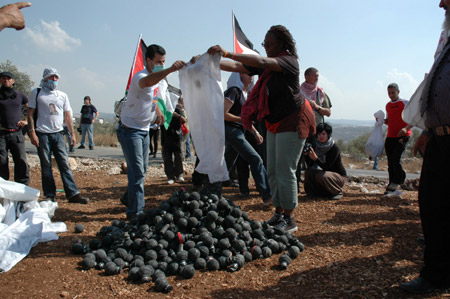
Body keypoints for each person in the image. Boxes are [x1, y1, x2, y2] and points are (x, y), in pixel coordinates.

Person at [207, 24, 315, 233]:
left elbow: (262, 61)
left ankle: (289, 219)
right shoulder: (268, 66)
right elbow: (238, 67)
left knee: (285, 171)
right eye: (264, 43)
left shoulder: (288, 61)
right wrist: (211, 62)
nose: (266, 47)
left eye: (270, 43)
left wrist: (228, 52)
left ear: (282, 44)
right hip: (273, 122)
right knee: (272, 170)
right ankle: (278, 214)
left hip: (292, 122)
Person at [399, 0, 450, 294]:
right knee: (432, 206)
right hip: (439, 139)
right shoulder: (446, 43)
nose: (441, 3)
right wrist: (429, 130)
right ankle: (435, 274)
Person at [116, 44, 186, 220]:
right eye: (159, 62)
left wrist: (158, 111)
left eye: (164, 62)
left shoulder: (157, 80)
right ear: (148, 60)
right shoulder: (141, 76)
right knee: (138, 172)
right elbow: (148, 83)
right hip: (129, 130)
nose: (162, 64)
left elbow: (153, 97)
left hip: (144, 129)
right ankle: (135, 214)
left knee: (142, 169)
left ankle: (128, 197)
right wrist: (170, 70)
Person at [26, 67, 89, 204]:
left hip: (58, 134)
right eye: (51, 77)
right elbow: (30, 114)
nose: (54, 80)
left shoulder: (62, 95)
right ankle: (49, 195)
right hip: (42, 133)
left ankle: (73, 194)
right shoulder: (37, 93)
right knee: (46, 165)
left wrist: (72, 134)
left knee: (64, 164)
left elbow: (67, 116)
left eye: (56, 77)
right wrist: (32, 132)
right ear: (45, 78)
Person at [223, 72, 271, 202]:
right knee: (256, 159)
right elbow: (223, 113)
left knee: (226, 163)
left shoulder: (244, 94)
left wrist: (255, 133)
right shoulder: (234, 91)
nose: (251, 76)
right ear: (239, 76)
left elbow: (246, 120)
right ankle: (268, 196)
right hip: (232, 131)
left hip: (239, 131)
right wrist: (241, 119)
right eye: (248, 73)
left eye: (252, 74)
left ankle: (211, 189)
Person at [0, 71, 30, 185]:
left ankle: (23, 187)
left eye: (8, 78)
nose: (6, 80)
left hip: (17, 133)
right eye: (3, 78)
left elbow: (30, 109)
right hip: (1, 133)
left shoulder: (20, 95)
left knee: (21, 160)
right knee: (1, 161)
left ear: (13, 81)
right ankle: (2, 187)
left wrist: (26, 121)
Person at [304, 123, 346, 200]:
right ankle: (313, 193)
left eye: (323, 134)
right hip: (325, 174)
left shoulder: (334, 148)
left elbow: (327, 167)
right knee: (309, 172)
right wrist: (307, 155)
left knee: (321, 176)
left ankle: (337, 192)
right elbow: (310, 164)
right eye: (319, 134)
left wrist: (316, 158)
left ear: (328, 135)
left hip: (337, 176)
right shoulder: (315, 145)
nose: (321, 136)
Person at [383, 83, 412, 194]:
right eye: (389, 93)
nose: (391, 95)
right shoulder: (388, 105)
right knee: (390, 161)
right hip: (390, 136)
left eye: (393, 92)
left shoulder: (405, 103)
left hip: (402, 135)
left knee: (396, 158)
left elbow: (413, 118)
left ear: (398, 92)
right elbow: (389, 120)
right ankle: (392, 183)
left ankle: (399, 179)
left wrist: (406, 129)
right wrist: (383, 121)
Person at [161, 96, 186, 184]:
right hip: (165, 137)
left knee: (178, 157)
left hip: (176, 137)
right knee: (167, 158)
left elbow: (184, 120)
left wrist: (177, 115)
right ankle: (170, 176)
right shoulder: (162, 109)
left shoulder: (177, 108)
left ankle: (179, 175)